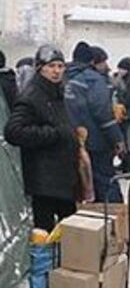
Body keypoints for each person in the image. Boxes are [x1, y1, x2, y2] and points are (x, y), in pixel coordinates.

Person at [3, 46, 79, 231]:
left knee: (70, 231)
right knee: (46, 232)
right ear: (40, 68)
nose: (56, 71)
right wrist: (53, 134)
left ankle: (64, 259)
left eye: (60, 66)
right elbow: (13, 131)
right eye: (51, 66)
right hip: (44, 180)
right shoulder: (32, 95)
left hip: (62, 176)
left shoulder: (57, 91)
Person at [64, 42, 127, 203]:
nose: (107, 66)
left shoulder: (63, 77)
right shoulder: (94, 80)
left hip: (69, 141)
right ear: (93, 62)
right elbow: (102, 113)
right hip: (96, 142)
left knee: (79, 188)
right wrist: (117, 139)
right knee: (105, 182)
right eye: (104, 61)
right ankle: (115, 222)